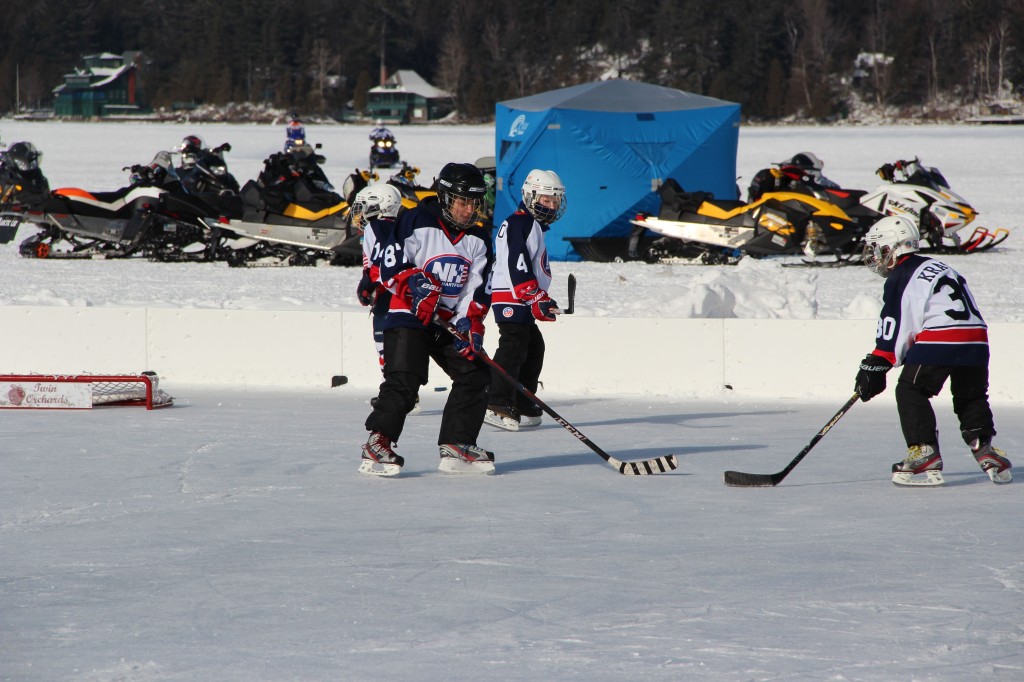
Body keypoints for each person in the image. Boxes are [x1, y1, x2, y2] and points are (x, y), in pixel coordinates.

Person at [853, 215, 1012, 486]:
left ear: (894, 246)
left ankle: (924, 450)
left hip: (943, 338)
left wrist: (879, 359)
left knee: (910, 390)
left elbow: (899, 319)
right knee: (970, 396)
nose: (876, 256)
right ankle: (984, 447)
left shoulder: (903, 273)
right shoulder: (939, 265)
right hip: (977, 340)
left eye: (879, 249)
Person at [359, 162, 494, 477]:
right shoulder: (416, 220)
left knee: (475, 373)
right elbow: (389, 265)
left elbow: (476, 290)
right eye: (462, 201)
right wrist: (414, 284)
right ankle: (378, 442)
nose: (468, 209)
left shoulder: (479, 238)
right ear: (446, 198)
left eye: (474, 202)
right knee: (405, 379)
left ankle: (458, 444)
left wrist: (469, 323)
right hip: (406, 313)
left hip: (444, 321)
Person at [484, 169, 566, 431]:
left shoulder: (532, 226)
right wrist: (533, 295)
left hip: (521, 297)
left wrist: (541, 297)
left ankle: (521, 400)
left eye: (555, 201)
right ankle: (497, 401)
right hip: (512, 296)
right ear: (530, 197)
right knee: (514, 346)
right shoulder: (521, 222)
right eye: (545, 200)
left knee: (533, 347)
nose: (551, 206)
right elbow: (516, 263)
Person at [352, 183, 404, 370]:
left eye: (365, 206)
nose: (362, 212)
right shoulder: (401, 226)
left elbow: (380, 263)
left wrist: (367, 285)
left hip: (387, 294)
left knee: (385, 345)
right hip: (401, 293)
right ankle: (400, 387)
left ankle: (391, 388)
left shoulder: (375, 227)